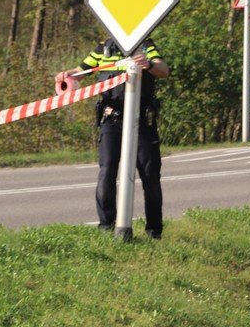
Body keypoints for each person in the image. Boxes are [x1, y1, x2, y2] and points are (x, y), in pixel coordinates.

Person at [60, 37, 170, 238]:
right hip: (112, 119)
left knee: (150, 176)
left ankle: (154, 232)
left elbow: (163, 70)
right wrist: (68, 75)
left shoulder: (144, 45)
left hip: (142, 119)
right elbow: (81, 71)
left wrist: (149, 64)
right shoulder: (104, 47)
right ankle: (106, 228)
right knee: (107, 172)